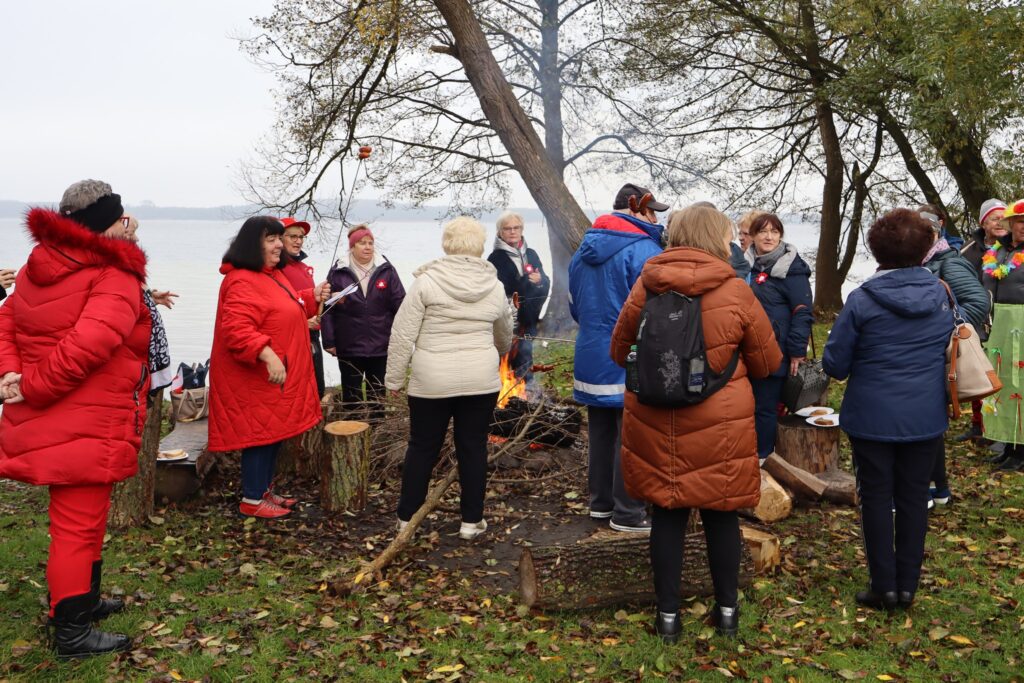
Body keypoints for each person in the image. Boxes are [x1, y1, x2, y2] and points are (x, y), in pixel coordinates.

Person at [610, 205, 781, 642]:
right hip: (719, 423)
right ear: (717, 238)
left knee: (667, 514)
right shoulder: (736, 290)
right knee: (721, 516)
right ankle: (727, 612)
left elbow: (618, 351)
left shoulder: (647, 283)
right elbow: (767, 363)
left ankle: (668, 618)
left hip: (656, 420)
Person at [0, 180, 153, 658]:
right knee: (77, 527)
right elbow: (88, 346)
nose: (129, 226)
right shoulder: (113, 274)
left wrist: (11, 372)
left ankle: (78, 603)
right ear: (105, 224)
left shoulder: (39, 264)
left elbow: (6, 320)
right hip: (86, 417)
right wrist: (30, 385)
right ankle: (71, 632)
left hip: (66, 417)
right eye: (122, 218)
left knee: (82, 521)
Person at [823, 208, 953, 611]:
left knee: (876, 497)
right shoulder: (942, 295)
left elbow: (835, 365)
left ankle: (885, 587)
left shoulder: (862, 300)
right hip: (925, 415)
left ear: (877, 249)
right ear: (925, 249)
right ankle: (907, 587)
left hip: (872, 417)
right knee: (915, 498)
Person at [386, 217, 513, 540]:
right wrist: (497, 349)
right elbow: (504, 336)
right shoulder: (494, 286)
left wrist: (394, 380)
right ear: (480, 246)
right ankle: (471, 521)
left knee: (422, 448)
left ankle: (406, 520)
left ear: (447, 244)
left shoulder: (426, 282)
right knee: (473, 448)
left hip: (431, 381)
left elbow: (402, 334)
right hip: (480, 380)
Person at [208, 216, 330, 519]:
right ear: (254, 244)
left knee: (273, 433)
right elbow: (236, 329)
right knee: (259, 436)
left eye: (279, 238)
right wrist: (268, 355)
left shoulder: (272, 275)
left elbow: (284, 308)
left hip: (275, 377)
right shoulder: (241, 280)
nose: (279, 245)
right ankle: (251, 498)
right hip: (256, 377)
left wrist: (310, 297)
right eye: (272, 239)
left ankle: (262, 490)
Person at [569, 183, 667, 533]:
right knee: (633, 436)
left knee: (601, 433)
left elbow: (575, 305)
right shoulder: (644, 250)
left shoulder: (584, 248)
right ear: (634, 208)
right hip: (629, 355)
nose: (656, 217)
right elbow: (652, 311)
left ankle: (601, 503)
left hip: (591, 353)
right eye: (652, 210)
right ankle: (628, 513)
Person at [921, 211, 990, 505]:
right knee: (930, 421)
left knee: (926, 422)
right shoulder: (925, 261)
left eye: (927, 232)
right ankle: (941, 490)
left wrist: (944, 332)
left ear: (937, 234)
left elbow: (978, 304)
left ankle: (927, 489)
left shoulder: (949, 261)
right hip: (928, 353)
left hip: (940, 352)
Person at [745, 213, 813, 459]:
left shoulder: (792, 268)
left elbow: (803, 312)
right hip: (744, 351)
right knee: (744, 407)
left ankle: (764, 460)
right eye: (763, 231)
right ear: (752, 235)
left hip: (775, 351)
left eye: (774, 231)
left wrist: (796, 351)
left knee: (765, 408)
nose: (769, 236)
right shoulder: (744, 266)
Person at [321, 224, 405, 413]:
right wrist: (329, 341)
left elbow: (401, 306)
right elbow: (327, 309)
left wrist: (400, 339)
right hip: (349, 346)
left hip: (380, 345)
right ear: (352, 247)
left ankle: (376, 437)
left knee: (378, 396)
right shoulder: (338, 271)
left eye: (370, 243)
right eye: (361, 243)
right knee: (352, 398)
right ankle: (353, 435)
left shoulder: (387, 270)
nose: (367, 247)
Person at [957, 199, 1006, 445]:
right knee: (978, 371)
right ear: (983, 222)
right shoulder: (968, 251)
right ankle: (979, 425)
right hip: (977, 320)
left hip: (1007, 320)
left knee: (1004, 373)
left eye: (1003, 217)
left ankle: (1002, 428)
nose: (1000, 222)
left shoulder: (1013, 249)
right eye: (994, 218)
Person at [981, 199, 1024, 472]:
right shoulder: (997, 251)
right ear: (1010, 223)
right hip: (999, 324)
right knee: (1003, 383)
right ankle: (1008, 444)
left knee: (1022, 385)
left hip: (1021, 323)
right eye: (1020, 222)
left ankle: (1022, 450)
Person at [487, 211, 550, 386]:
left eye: (516, 228)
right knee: (505, 361)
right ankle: (503, 399)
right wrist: (527, 283)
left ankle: (528, 397)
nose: (513, 232)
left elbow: (545, 281)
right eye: (507, 229)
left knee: (525, 359)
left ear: (522, 229)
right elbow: (500, 290)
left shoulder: (531, 253)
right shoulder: (495, 258)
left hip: (529, 318)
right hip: (507, 321)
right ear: (500, 232)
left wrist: (540, 282)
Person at [279, 216, 326, 398]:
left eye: (301, 237)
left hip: (312, 336)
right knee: (298, 392)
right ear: (280, 238)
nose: (298, 241)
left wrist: (325, 298)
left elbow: (306, 302)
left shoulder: (302, 267)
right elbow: (281, 306)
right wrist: (304, 323)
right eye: (293, 236)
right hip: (292, 339)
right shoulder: (277, 269)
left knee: (317, 389)